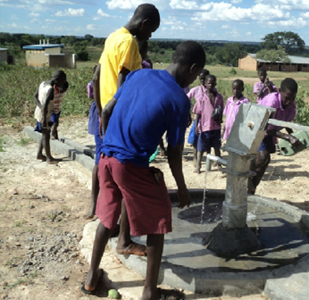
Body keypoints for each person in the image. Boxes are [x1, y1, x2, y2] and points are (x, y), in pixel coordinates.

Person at [82, 40, 205, 300]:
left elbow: (107, 109)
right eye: (196, 74)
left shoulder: (138, 75)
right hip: (130, 165)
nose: (194, 79)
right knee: (159, 220)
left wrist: (109, 140)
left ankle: (91, 278)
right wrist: (182, 189)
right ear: (193, 68)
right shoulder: (180, 101)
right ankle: (150, 292)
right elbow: (174, 152)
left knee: (107, 217)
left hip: (105, 158)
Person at [84, 3, 160, 259]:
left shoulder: (113, 36)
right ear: (145, 23)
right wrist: (116, 114)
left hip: (109, 116)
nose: (149, 37)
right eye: (151, 32)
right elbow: (123, 82)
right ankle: (125, 240)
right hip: (121, 118)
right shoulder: (128, 42)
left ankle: (116, 234)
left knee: (113, 181)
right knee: (130, 179)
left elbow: (97, 77)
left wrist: (101, 110)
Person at [248, 78, 301, 195]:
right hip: (254, 126)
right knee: (263, 156)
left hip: (269, 131)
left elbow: (286, 124)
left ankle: (252, 189)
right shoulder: (272, 101)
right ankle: (246, 171)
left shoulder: (292, 105)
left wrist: (294, 135)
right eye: (287, 97)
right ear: (280, 91)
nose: (289, 101)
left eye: (293, 98)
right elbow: (265, 126)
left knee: (265, 161)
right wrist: (287, 137)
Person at [33, 70, 67, 164]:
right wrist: (44, 117)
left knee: (45, 134)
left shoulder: (42, 84)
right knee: (46, 134)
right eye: (62, 81)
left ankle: (40, 153)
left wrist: (40, 107)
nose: (63, 83)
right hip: (45, 114)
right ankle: (49, 158)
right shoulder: (50, 89)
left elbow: (35, 97)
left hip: (40, 112)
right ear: (57, 80)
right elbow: (46, 104)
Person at [193, 74, 224, 174]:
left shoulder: (219, 97)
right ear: (205, 84)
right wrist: (196, 126)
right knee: (201, 149)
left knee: (216, 147)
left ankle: (219, 165)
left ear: (215, 84)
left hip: (216, 127)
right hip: (204, 126)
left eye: (212, 83)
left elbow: (221, 110)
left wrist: (220, 119)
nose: (211, 84)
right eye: (209, 83)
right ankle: (198, 166)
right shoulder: (201, 98)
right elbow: (197, 113)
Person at [186, 69, 210, 166]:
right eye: (201, 79)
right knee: (195, 138)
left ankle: (209, 158)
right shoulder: (195, 90)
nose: (203, 80)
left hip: (208, 120)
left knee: (208, 139)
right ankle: (195, 157)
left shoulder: (212, 90)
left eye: (204, 78)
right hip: (198, 119)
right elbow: (186, 98)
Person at [87, 65, 98, 137]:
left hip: (95, 103)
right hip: (104, 102)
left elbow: (90, 96)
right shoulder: (105, 82)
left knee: (95, 120)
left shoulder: (90, 84)